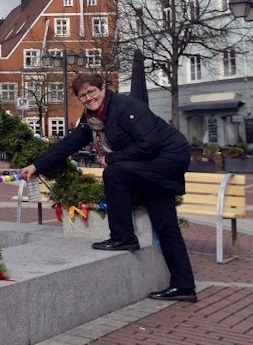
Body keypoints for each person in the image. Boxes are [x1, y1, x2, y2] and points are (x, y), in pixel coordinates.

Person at [20, 72, 196, 303]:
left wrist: (113, 159)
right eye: (83, 95)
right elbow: (70, 143)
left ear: (102, 89)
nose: (88, 97)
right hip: (149, 165)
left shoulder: (125, 107)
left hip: (167, 158)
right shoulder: (92, 117)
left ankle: (123, 236)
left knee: (114, 172)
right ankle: (184, 286)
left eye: (92, 91)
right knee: (165, 223)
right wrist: (36, 165)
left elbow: (149, 143)